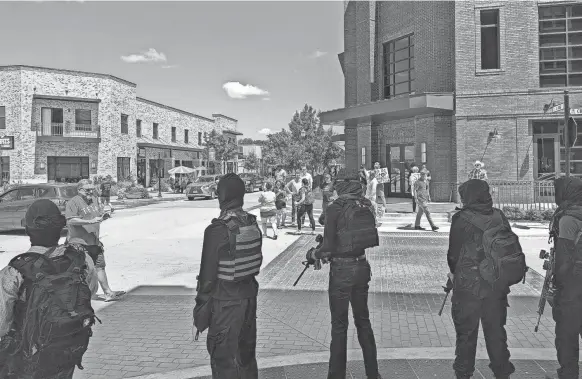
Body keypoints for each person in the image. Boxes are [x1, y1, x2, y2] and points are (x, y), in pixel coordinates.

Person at [0, 199, 99, 379]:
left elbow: (2, 323)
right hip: (69, 347)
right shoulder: (82, 260)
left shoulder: (14, 272)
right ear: (60, 229)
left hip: (27, 356)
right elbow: (90, 292)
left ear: (27, 229)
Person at [307, 173, 381, 379]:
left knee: (339, 326)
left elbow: (329, 246)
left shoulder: (335, 208)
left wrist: (314, 254)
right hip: (362, 266)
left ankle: (336, 375)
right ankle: (373, 374)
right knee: (363, 322)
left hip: (341, 271)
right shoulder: (365, 205)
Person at [194, 173, 262, 378]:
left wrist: (200, 308)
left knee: (223, 361)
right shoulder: (252, 223)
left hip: (225, 304)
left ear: (222, 196)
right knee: (246, 358)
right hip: (249, 299)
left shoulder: (217, 230)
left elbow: (207, 276)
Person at [447, 179, 515, 379]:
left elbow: (453, 254)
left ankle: (464, 373)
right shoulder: (499, 216)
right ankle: (502, 372)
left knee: (466, 336)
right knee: (496, 334)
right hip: (495, 285)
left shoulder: (461, 219)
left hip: (468, 287)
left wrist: (455, 273)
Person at [545, 176, 582, 379]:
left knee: (567, 333)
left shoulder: (568, 219)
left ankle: (568, 374)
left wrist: (557, 288)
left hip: (573, 286)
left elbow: (564, 258)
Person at [65, 179, 125, 302]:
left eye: (92, 189)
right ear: (79, 190)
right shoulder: (73, 202)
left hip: (94, 242)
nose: (90, 192)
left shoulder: (94, 200)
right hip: (79, 243)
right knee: (82, 270)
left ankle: (108, 293)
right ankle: (74, 296)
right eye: (87, 190)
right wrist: (89, 221)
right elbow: (70, 220)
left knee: (100, 267)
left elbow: (97, 215)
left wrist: (104, 215)